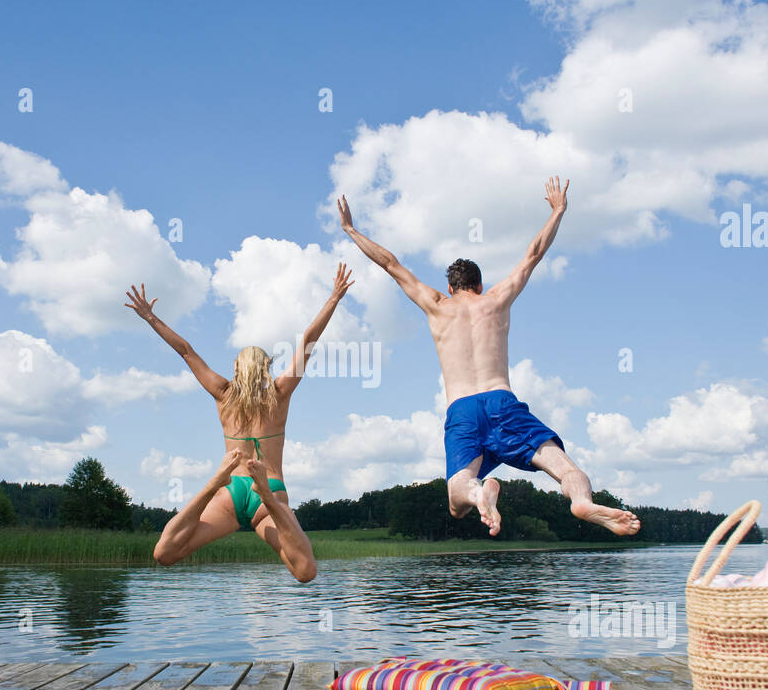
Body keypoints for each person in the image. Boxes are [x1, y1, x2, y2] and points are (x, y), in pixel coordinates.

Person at [337, 177, 640, 538]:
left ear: (450, 287)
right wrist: (558, 210)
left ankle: (479, 492)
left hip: (462, 408)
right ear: (480, 285)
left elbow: (390, 263)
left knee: (456, 496)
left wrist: (351, 229)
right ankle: (581, 501)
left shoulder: (437, 306)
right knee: (564, 468)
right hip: (502, 402)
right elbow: (533, 254)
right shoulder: (496, 300)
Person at [124, 264, 355, 582]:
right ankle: (240, 489)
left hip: (231, 491)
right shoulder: (279, 393)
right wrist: (333, 298)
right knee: (305, 571)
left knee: (165, 554)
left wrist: (150, 318)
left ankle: (214, 481)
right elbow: (307, 344)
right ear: (266, 369)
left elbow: (186, 351)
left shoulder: (223, 393)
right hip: (267, 492)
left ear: (236, 367)